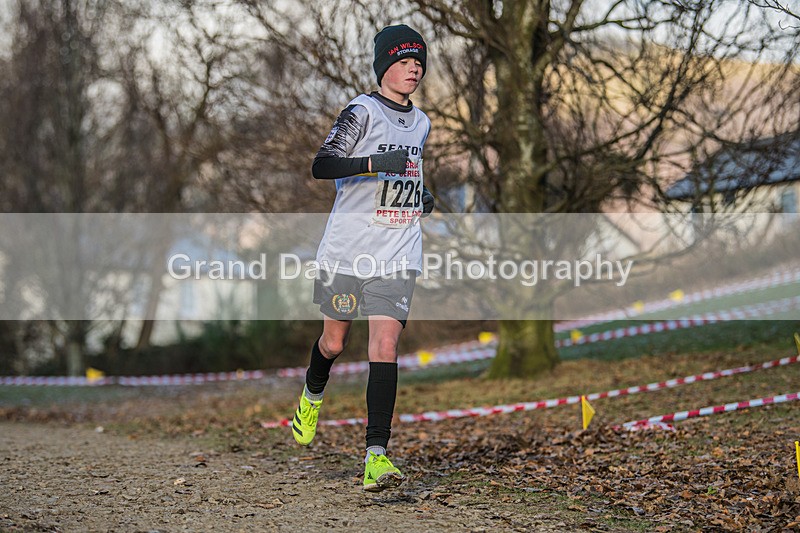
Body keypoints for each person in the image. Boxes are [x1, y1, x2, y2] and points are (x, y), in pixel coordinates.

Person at [290, 24, 435, 493]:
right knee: (334, 343)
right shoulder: (362, 111)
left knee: (385, 348)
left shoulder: (422, 122)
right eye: (404, 60)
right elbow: (323, 165)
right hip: (348, 253)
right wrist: (373, 164)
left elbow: (407, 172)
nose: (413, 68)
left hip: (397, 251)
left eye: (419, 62)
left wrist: (421, 194)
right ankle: (312, 394)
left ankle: (376, 456)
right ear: (383, 66)